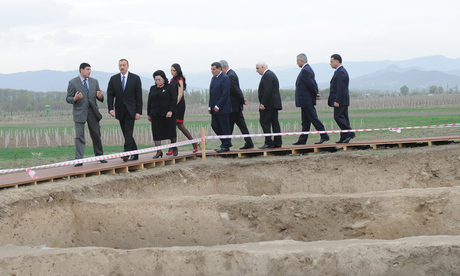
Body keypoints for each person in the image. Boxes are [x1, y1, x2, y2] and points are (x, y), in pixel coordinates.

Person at [66, 62, 107, 166]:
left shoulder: (94, 81)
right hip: (80, 113)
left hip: (93, 112)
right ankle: (79, 159)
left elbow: (99, 97)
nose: (89, 71)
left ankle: (100, 156)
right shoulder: (73, 82)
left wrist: (100, 96)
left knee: (96, 134)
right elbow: (68, 98)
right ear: (81, 70)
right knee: (79, 136)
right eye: (87, 69)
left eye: (90, 69)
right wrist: (75, 98)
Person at [107, 59, 143, 161]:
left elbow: (138, 96)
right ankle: (135, 153)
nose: (122, 67)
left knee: (128, 131)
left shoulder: (135, 78)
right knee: (126, 132)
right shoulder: (113, 79)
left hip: (131, 110)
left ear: (128, 66)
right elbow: (110, 95)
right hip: (120, 110)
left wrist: (138, 112)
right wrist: (110, 109)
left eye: (123, 65)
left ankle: (126, 153)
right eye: (120, 65)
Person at [293, 53, 330, 145]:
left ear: (301, 61)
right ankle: (302, 140)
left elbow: (311, 84)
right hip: (305, 101)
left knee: (313, 118)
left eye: (297, 61)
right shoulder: (307, 69)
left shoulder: (305, 70)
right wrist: (316, 93)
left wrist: (315, 94)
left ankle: (324, 135)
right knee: (305, 122)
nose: (297, 63)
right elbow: (314, 83)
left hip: (306, 100)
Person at [220, 60, 254, 150]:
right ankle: (248, 142)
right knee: (238, 125)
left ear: (223, 67)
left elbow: (235, 90)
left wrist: (242, 100)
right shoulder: (231, 74)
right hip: (234, 106)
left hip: (233, 106)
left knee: (230, 125)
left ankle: (226, 144)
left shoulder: (230, 75)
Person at [169, 63, 199, 154]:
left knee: (180, 125)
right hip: (173, 104)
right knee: (172, 126)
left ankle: (194, 143)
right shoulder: (171, 80)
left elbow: (180, 94)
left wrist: (174, 105)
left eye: (174, 70)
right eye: (171, 70)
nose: (172, 72)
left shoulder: (180, 79)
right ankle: (172, 147)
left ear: (178, 71)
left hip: (179, 104)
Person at [148, 70, 178, 158]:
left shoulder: (170, 87)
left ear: (164, 79)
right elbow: (149, 101)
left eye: (159, 79)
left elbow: (174, 100)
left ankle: (174, 147)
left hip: (168, 114)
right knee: (156, 133)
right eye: (156, 80)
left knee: (171, 132)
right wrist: (149, 113)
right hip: (155, 114)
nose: (157, 81)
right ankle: (158, 151)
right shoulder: (152, 88)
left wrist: (171, 111)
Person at [328, 54, 355, 143]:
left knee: (338, 117)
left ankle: (350, 133)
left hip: (341, 100)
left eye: (331, 61)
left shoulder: (341, 72)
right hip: (342, 100)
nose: (330, 63)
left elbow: (340, 88)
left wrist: (337, 100)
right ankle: (344, 137)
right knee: (344, 118)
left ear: (337, 62)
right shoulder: (339, 71)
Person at [256, 61, 282, 149]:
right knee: (274, 123)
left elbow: (267, 91)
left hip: (269, 105)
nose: (256, 70)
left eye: (257, 68)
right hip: (273, 104)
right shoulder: (271, 74)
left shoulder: (267, 75)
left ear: (263, 67)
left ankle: (268, 142)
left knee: (264, 122)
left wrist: (263, 103)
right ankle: (277, 142)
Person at [209, 61, 232, 153]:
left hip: (223, 108)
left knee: (224, 127)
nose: (212, 71)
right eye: (211, 69)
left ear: (219, 69)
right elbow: (212, 94)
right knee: (214, 125)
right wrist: (210, 107)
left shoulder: (225, 78)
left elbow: (225, 94)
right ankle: (225, 142)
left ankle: (226, 145)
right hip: (214, 109)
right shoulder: (213, 79)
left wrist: (218, 105)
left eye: (214, 69)